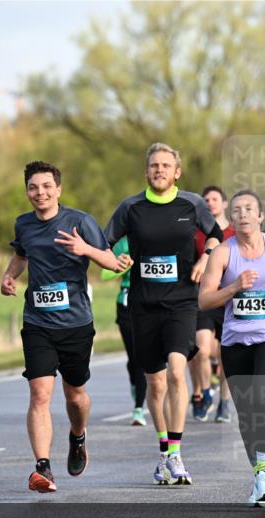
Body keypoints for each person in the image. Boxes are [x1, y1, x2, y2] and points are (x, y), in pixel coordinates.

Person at [103, 143, 223, 485]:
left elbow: (214, 235)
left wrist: (204, 259)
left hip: (182, 301)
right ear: (146, 171)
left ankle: (176, 454)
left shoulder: (192, 204)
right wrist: (117, 262)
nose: (159, 170)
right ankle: (163, 451)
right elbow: (105, 243)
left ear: (177, 172)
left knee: (175, 371)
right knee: (155, 383)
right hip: (143, 304)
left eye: (166, 165)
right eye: (154, 165)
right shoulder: (130, 207)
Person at [1, 161, 122, 493]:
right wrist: (9, 275)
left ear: (58, 189)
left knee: (75, 396)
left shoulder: (80, 221)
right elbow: (22, 256)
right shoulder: (23, 224)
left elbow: (112, 263)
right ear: (27, 191)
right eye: (33, 188)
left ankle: (78, 435)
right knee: (40, 393)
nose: (40, 193)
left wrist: (85, 249)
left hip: (75, 323)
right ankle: (42, 468)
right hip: (37, 321)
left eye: (46, 187)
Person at [198, 189, 265, 506]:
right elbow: (205, 300)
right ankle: (260, 473)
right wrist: (234, 287)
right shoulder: (222, 253)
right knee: (246, 413)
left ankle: (264, 475)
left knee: (261, 394)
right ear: (231, 219)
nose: (243, 213)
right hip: (234, 341)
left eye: (249, 209)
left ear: (260, 216)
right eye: (237, 210)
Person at [191, 185, 236, 422]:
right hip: (204, 298)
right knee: (202, 350)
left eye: (215, 198)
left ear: (224, 203)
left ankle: (224, 403)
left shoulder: (234, 233)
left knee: (226, 354)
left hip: (229, 299)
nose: (210, 202)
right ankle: (206, 392)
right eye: (205, 199)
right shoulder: (198, 232)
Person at [101, 235, 147, 426]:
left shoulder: (159, 235)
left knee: (142, 358)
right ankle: (135, 383)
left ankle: (138, 409)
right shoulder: (123, 243)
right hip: (126, 304)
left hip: (149, 302)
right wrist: (123, 265)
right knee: (133, 358)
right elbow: (105, 274)